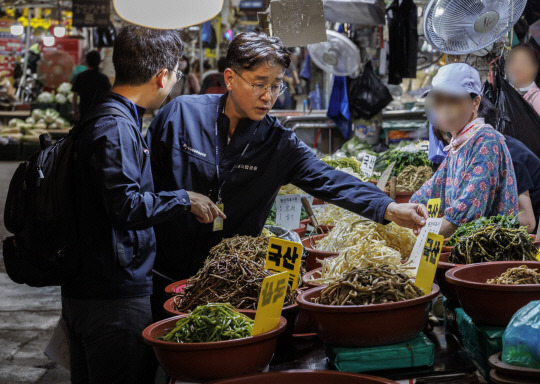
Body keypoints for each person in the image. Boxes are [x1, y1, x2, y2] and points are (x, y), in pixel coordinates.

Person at [146, 31, 428, 319]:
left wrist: (389, 207)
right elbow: (142, 187)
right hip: (162, 274)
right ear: (229, 78)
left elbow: (330, 179)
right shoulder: (180, 115)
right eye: (258, 84)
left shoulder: (279, 143)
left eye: (276, 85)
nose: (268, 97)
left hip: (231, 283)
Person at [61, 25, 223, 384]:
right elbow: (125, 206)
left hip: (92, 289)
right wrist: (183, 198)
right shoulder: (115, 128)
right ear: (162, 76)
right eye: (176, 74)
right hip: (111, 299)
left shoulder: (105, 115)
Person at [411, 63, 519, 237]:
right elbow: (428, 193)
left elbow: (464, 216)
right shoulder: (458, 144)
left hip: (487, 255)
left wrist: (414, 235)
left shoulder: (486, 141)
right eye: (438, 100)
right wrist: (399, 212)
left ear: (475, 102)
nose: (444, 108)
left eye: (453, 100)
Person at [72, 50, 112, 120]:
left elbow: (75, 96)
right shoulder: (103, 78)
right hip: (99, 113)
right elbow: (109, 97)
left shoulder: (81, 77)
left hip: (84, 113)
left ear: (86, 62)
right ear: (99, 62)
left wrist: (75, 111)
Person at [506, 43, 540, 115]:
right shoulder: (509, 92)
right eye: (513, 61)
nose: (517, 66)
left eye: (523, 62)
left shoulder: (537, 98)